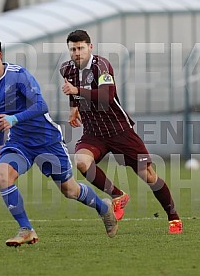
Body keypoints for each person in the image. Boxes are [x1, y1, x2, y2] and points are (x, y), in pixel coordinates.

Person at [0, 37, 118, 247]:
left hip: (46, 141)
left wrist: (14, 119)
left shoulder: (18, 76)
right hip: (19, 142)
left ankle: (103, 208)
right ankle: (26, 229)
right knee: (2, 175)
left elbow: (41, 106)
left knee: (69, 190)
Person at [60, 29, 182, 234]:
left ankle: (173, 217)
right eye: (73, 49)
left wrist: (77, 92)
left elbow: (107, 96)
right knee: (81, 161)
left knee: (148, 175)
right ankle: (118, 195)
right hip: (93, 133)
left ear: (90, 47)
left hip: (119, 130)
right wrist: (74, 108)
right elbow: (72, 89)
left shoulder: (102, 66)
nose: (77, 53)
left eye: (81, 48)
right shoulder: (66, 69)